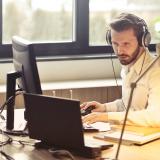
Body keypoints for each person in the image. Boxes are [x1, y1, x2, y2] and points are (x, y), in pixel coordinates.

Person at [81, 13, 160, 127]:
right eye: (115, 43)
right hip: (133, 134)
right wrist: (104, 108)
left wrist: (107, 116)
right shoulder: (127, 67)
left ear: (143, 41)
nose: (119, 50)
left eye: (126, 44)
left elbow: (155, 117)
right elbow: (129, 106)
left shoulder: (156, 71)